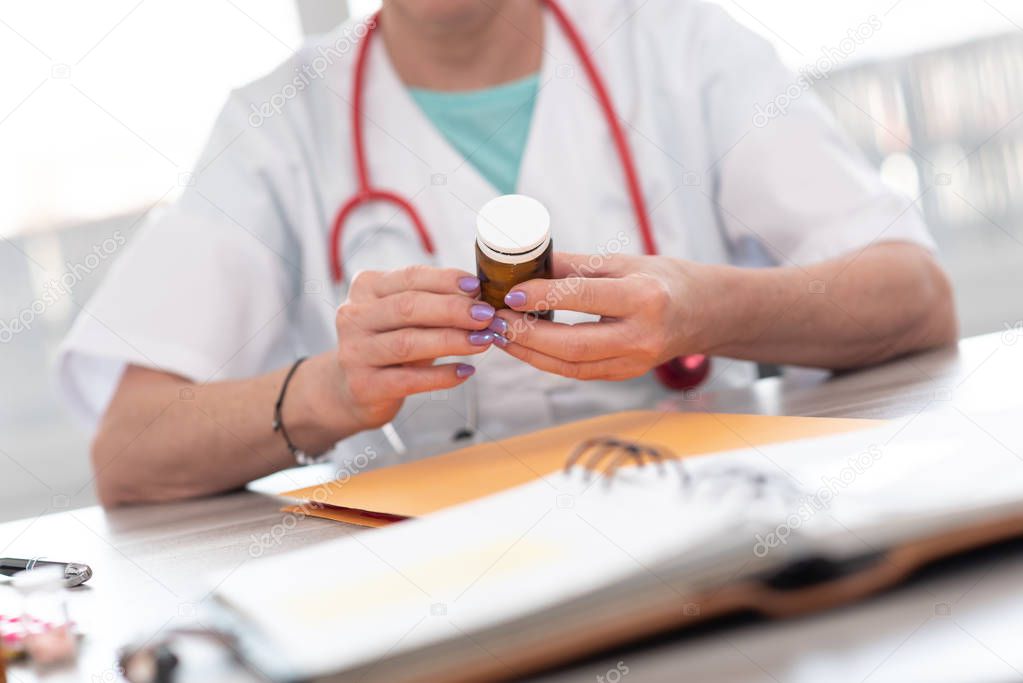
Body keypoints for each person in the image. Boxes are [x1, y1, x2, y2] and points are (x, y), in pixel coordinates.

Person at [58, 0, 957, 506]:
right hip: (429, 598)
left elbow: (914, 297)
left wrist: (706, 305)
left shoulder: (683, 48)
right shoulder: (274, 126)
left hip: (703, 537)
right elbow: (129, 451)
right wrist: (332, 390)